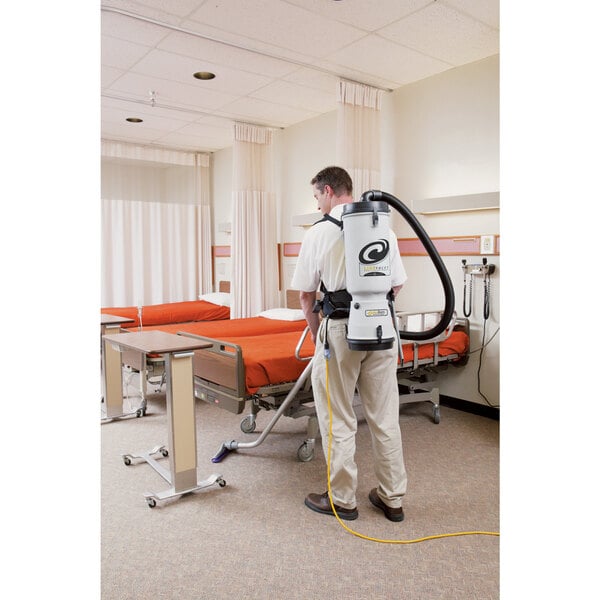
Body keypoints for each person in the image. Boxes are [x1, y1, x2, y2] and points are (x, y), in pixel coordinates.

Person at [291, 166, 408, 522]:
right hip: (382, 331)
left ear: (329, 191)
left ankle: (342, 499)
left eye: (316, 197)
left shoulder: (319, 233)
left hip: (340, 329)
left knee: (338, 417)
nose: (317, 205)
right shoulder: (383, 228)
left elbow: (305, 296)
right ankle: (392, 498)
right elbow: (397, 285)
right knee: (385, 417)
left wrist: (319, 336)